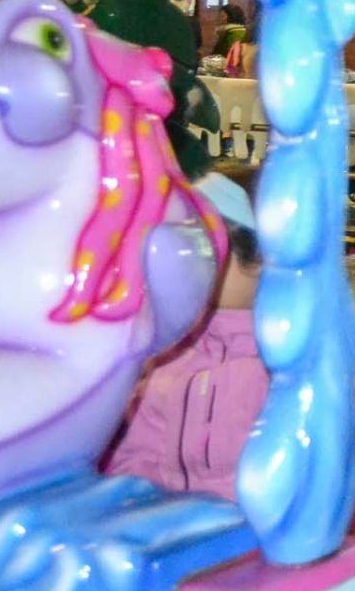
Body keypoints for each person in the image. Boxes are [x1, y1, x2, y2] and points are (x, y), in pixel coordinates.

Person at [107, 173, 267, 501]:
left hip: (246, 535)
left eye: (211, 253)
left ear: (266, 259)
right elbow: (136, 455)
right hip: (168, 531)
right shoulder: (167, 352)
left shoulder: (285, 365)